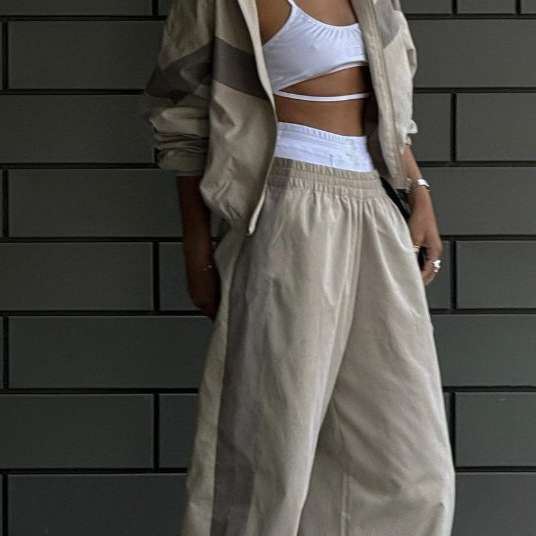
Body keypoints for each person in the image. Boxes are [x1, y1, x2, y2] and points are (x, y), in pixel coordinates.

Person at [142, 0, 456, 534]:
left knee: (409, 457)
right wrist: (197, 251)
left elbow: (392, 113)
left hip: (376, 206)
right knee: (272, 445)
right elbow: (180, 121)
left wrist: (419, 194)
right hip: (286, 207)